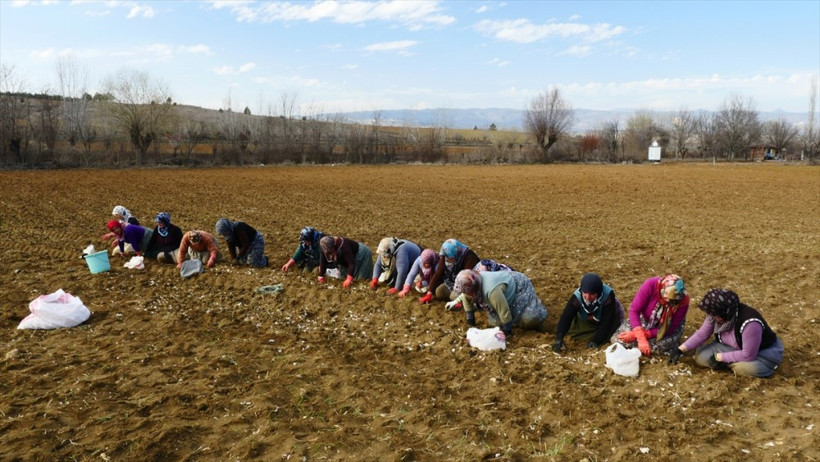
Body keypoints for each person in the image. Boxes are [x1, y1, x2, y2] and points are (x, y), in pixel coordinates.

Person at [668, 289, 783, 378]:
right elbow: (702, 334)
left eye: (714, 315)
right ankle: (729, 362)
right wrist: (680, 349)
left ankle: (764, 367)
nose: (712, 317)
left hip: (761, 354)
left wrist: (720, 357)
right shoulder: (717, 314)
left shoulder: (750, 323)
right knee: (701, 357)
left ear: (724, 312)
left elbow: (749, 354)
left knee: (743, 369)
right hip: (732, 347)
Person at [451, 269, 548, 336]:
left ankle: (536, 305)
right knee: (496, 324)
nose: (465, 294)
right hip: (499, 294)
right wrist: (471, 323)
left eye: (467, 292)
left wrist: (508, 333)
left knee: (529, 319)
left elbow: (504, 311)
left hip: (517, 287)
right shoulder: (470, 287)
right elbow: (466, 299)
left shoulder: (492, 291)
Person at [612, 274, 690, 356]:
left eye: (673, 301)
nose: (668, 303)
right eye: (666, 298)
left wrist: (637, 335)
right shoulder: (651, 284)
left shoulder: (683, 301)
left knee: (660, 345)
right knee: (620, 338)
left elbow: (669, 329)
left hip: (665, 328)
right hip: (646, 320)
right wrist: (640, 336)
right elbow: (634, 310)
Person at [553, 273, 624, 352]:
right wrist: (559, 339)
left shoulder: (607, 296)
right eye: (585, 293)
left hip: (606, 319)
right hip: (587, 320)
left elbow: (608, 321)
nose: (588, 297)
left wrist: (596, 341)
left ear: (598, 292)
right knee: (570, 332)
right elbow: (566, 317)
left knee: (612, 336)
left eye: (592, 294)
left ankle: (596, 337)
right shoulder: (577, 297)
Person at [420, 239, 480, 305]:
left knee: (453, 296)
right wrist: (429, 293)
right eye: (445, 256)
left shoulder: (470, 257)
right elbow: (438, 274)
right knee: (439, 292)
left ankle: (464, 302)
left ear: (455, 253)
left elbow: (468, 279)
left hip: (468, 284)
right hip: (453, 281)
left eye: (448, 256)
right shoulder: (445, 256)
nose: (446, 258)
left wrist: (459, 298)